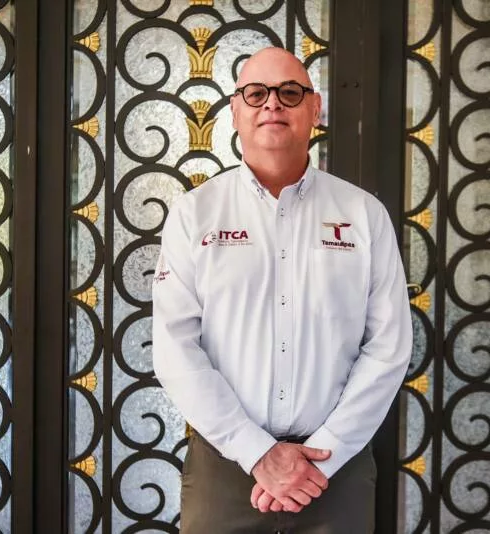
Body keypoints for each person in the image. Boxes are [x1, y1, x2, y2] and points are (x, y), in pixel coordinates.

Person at [152, 47, 412, 533]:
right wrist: (257, 452)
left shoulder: (363, 215)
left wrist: (324, 454)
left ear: (315, 110)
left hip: (335, 470)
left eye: (290, 93)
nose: (272, 103)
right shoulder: (194, 214)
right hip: (225, 467)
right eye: (256, 93)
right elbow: (174, 349)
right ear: (235, 111)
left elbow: (389, 347)